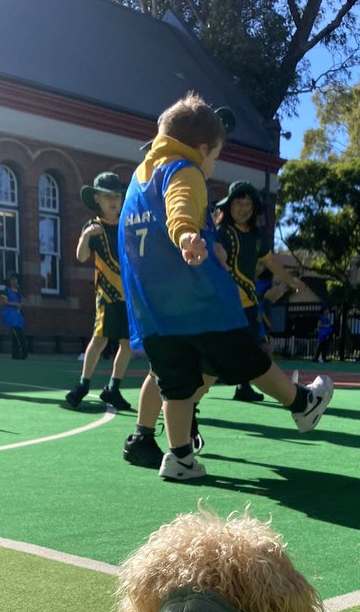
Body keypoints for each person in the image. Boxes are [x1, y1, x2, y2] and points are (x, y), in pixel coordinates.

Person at [119, 91, 332, 482]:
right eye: (215, 155)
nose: (213, 165)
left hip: (154, 312)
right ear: (201, 147)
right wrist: (186, 237)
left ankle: (179, 456)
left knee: (176, 386)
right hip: (198, 304)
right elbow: (180, 207)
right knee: (249, 357)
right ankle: (302, 403)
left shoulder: (139, 179)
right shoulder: (184, 170)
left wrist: (203, 239)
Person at [215, 180, 308, 401]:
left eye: (248, 203)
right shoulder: (223, 233)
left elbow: (271, 262)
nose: (243, 208)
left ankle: (243, 386)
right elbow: (216, 258)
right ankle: (188, 399)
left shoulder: (257, 237)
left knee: (255, 347)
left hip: (248, 303)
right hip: (225, 304)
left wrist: (291, 281)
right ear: (229, 206)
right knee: (220, 351)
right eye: (238, 202)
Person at [63, 172, 133, 411]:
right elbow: (81, 257)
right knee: (100, 338)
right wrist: (85, 237)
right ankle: (83, 384)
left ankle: (113, 387)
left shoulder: (128, 223)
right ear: (97, 199)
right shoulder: (94, 226)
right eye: (107, 197)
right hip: (108, 293)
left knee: (128, 343)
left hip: (130, 295)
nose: (113, 201)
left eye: (116, 196)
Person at [0, 271, 27, 360]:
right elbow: (3, 301)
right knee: (19, 335)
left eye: (15, 279)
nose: (15, 281)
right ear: (9, 281)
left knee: (15, 337)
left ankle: (15, 355)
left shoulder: (19, 291)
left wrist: (21, 304)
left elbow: (22, 301)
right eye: (13, 279)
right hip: (10, 315)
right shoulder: (6, 290)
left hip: (18, 316)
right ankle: (23, 354)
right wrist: (16, 304)